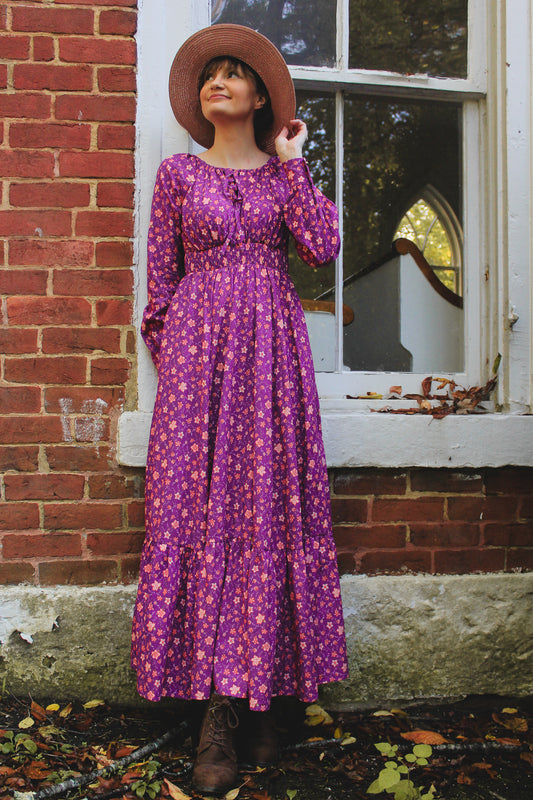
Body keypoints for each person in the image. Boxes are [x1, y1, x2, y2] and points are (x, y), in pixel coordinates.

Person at [131, 24, 349, 795]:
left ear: (259, 97)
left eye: (233, 75)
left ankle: (264, 698)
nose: (217, 82)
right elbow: (158, 290)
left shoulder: (280, 178)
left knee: (265, 514)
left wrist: (293, 165)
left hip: (272, 364)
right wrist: (185, 366)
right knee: (199, 514)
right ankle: (218, 713)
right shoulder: (177, 177)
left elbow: (321, 249)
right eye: (209, 76)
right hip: (197, 369)